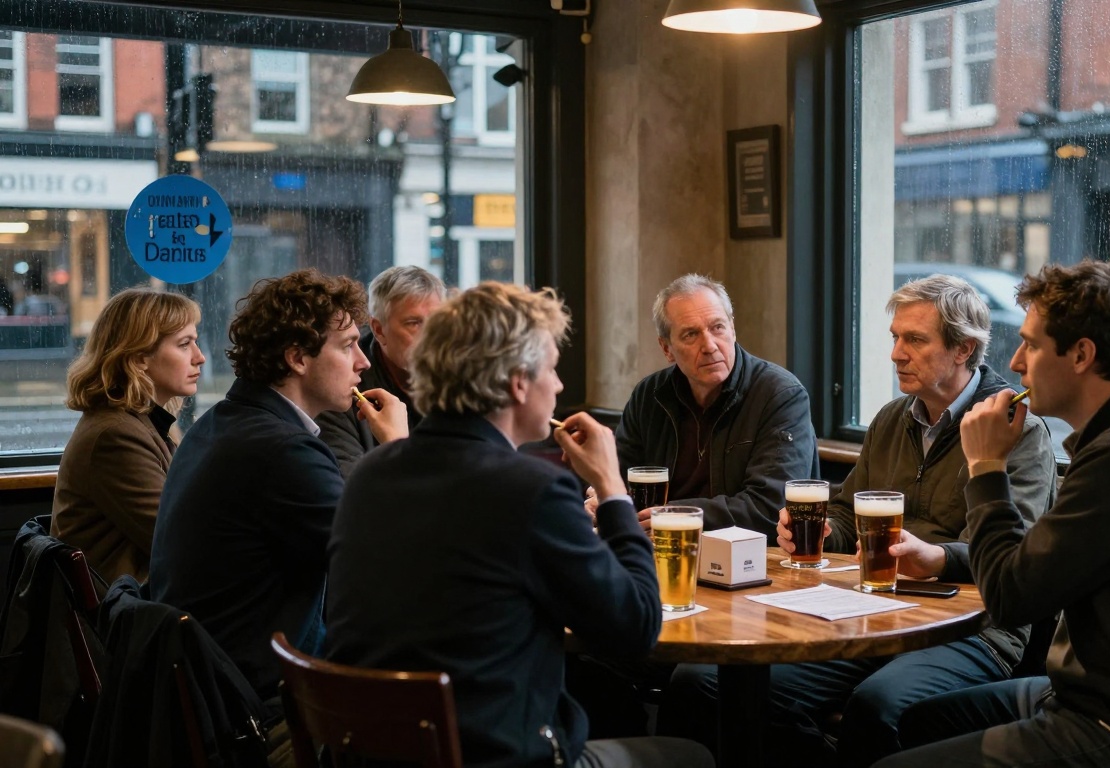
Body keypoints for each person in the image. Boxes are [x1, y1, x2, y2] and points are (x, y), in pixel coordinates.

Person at [657, 274, 1057, 766]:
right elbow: (847, 511)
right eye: (894, 338)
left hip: (971, 630)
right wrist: (827, 531)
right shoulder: (891, 418)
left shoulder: (1018, 431)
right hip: (874, 614)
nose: (895, 354)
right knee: (702, 683)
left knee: (878, 706)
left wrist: (933, 558)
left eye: (914, 340)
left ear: (963, 349)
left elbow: (1009, 554)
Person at [324, 282, 714, 768]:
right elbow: (636, 627)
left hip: (371, 754)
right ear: (517, 383)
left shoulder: (370, 476)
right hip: (492, 757)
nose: (560, 386)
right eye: (551, 368)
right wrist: (612, 487)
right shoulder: (531, 490)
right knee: (691, 756)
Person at [882, 261, 1110, 767]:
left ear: (1082, 355)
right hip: (1106, 694)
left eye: (1032, 344)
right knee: (916, 721)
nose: (1015, 362)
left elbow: (1011, 597)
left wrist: (986, 466)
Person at [149, 269, 406, 764]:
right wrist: (400, 449)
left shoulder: (223, 423)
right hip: (260, 719)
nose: (362, 362)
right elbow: (388, 564)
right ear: (297, 358)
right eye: (349, 345)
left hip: (215, 698)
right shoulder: (282, 451)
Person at [611, 273, 819, 538]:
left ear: (733, 328)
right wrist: (606, 499)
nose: (709, 345)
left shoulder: (780, 395)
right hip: (661, 550)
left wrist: (676, 516)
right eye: (690, 335)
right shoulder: (649, 396)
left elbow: (769, 507)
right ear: (666, 348)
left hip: (753, 561)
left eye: (717, 327)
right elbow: (618, 479)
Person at [53, 288, 204, 584]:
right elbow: (183, 541)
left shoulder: (140, 422)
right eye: (184, 345)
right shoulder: (115, 436)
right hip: (125, 618)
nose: (199, 358)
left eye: (195, 343)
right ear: (138, 358)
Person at [316, 265, 446, 476]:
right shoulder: (342, 388)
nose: (431, 337)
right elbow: (351, 488)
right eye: (414, 323)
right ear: (378, 329)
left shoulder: (462, 383)